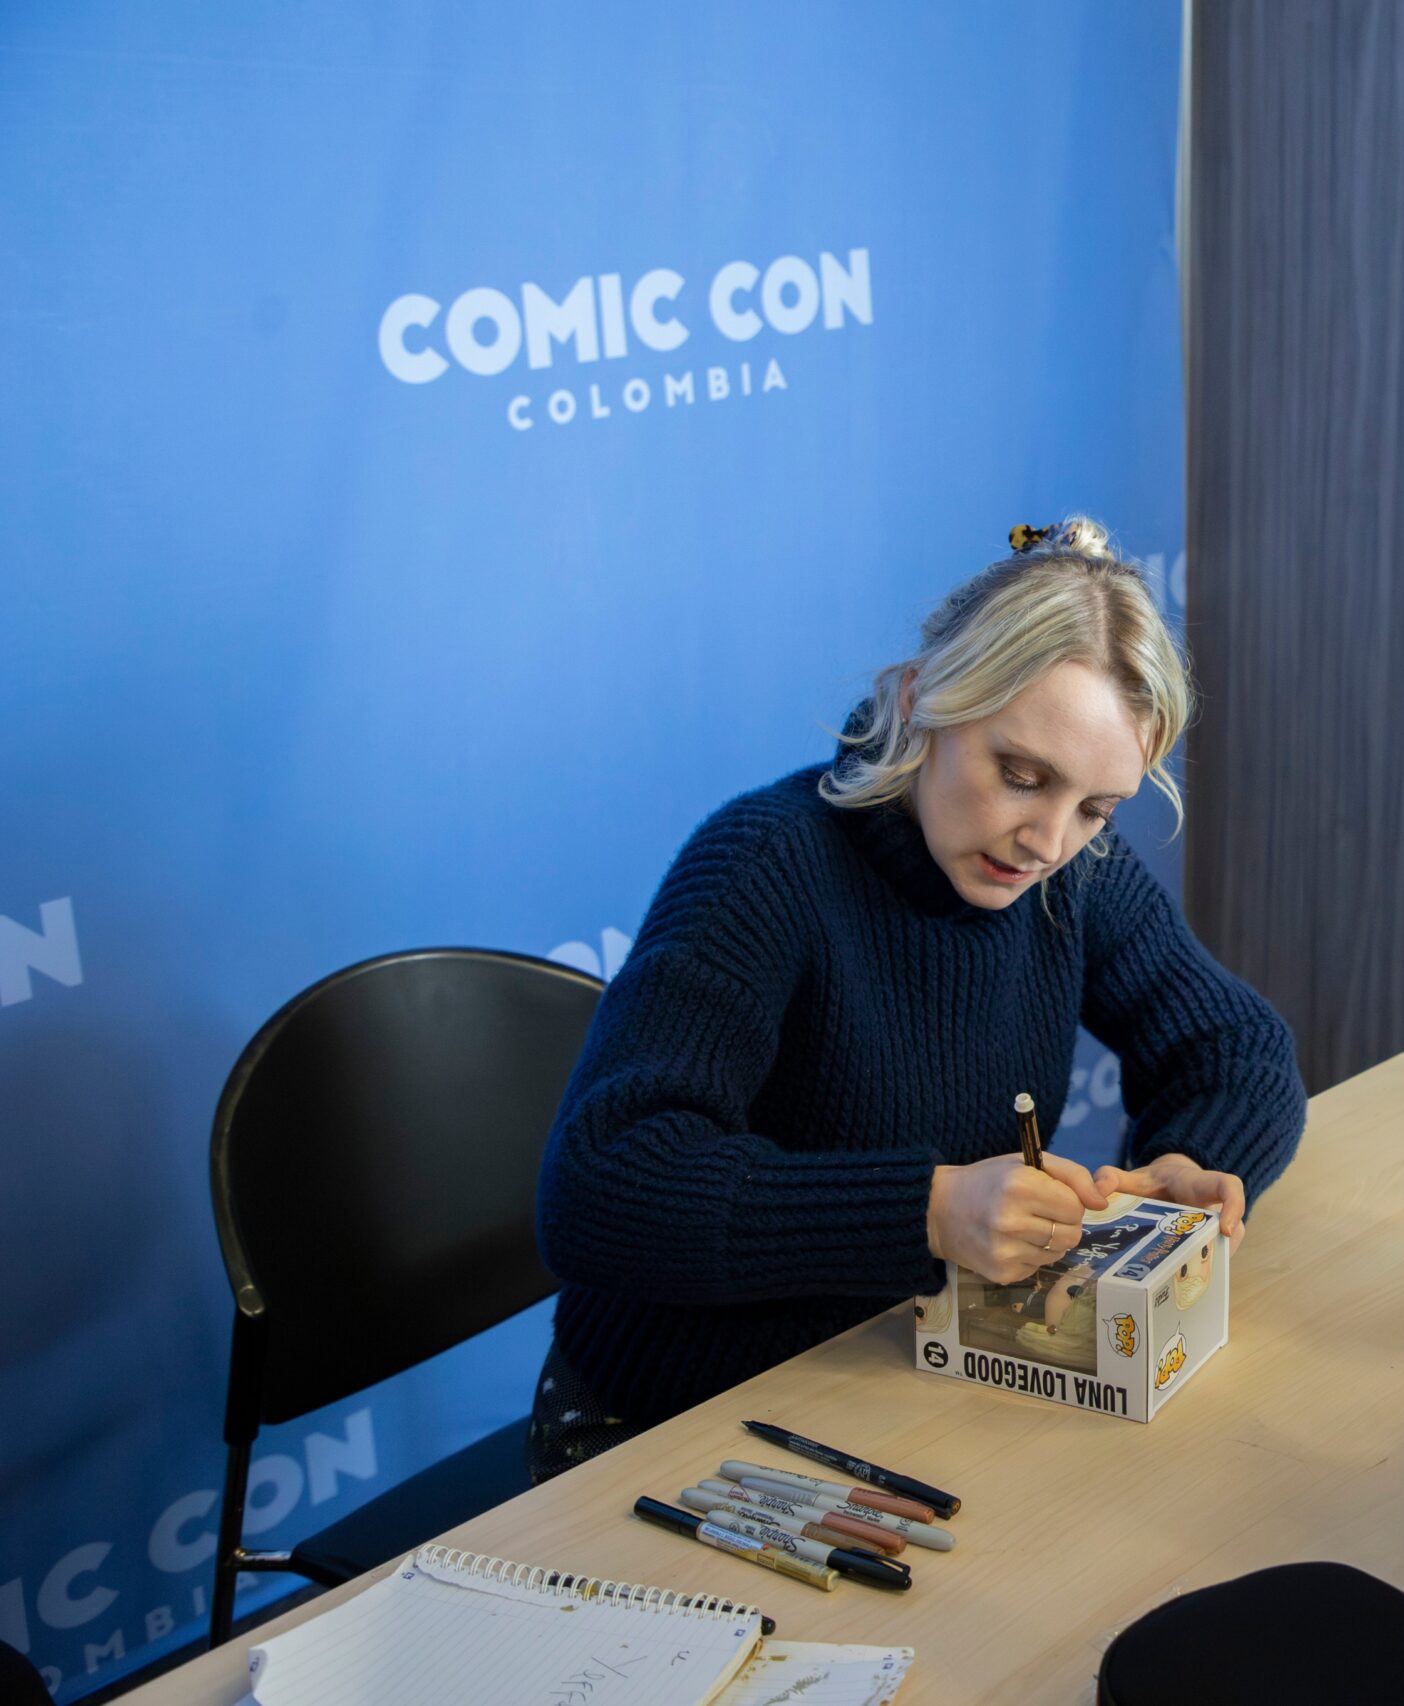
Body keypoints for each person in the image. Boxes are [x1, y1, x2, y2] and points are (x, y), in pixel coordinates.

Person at [527, 517, 1306, 1480]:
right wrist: (927, 1212)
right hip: (671, 1425)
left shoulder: (1072, 872)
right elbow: (599, 1188)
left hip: (907, 1385)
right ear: (919, 699)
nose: (1047, 842)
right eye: (1020, 776)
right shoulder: (764, 864)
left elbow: (1237, 1047)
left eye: (1096, 807)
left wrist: (1190, 1164)